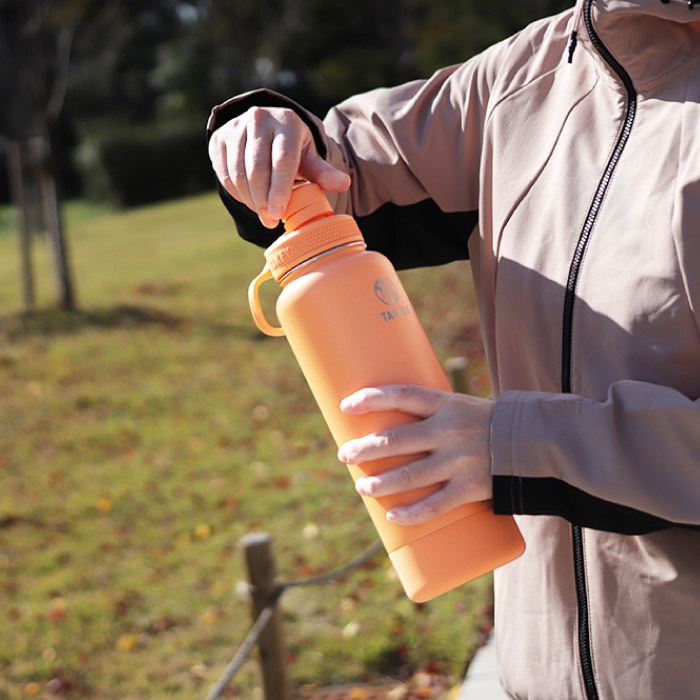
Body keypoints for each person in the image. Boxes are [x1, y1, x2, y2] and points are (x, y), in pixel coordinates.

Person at [206, 0, 700, 697]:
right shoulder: (524, 78)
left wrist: (517, 447)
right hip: (543, 677)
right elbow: (342, 170)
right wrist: (268, 134)